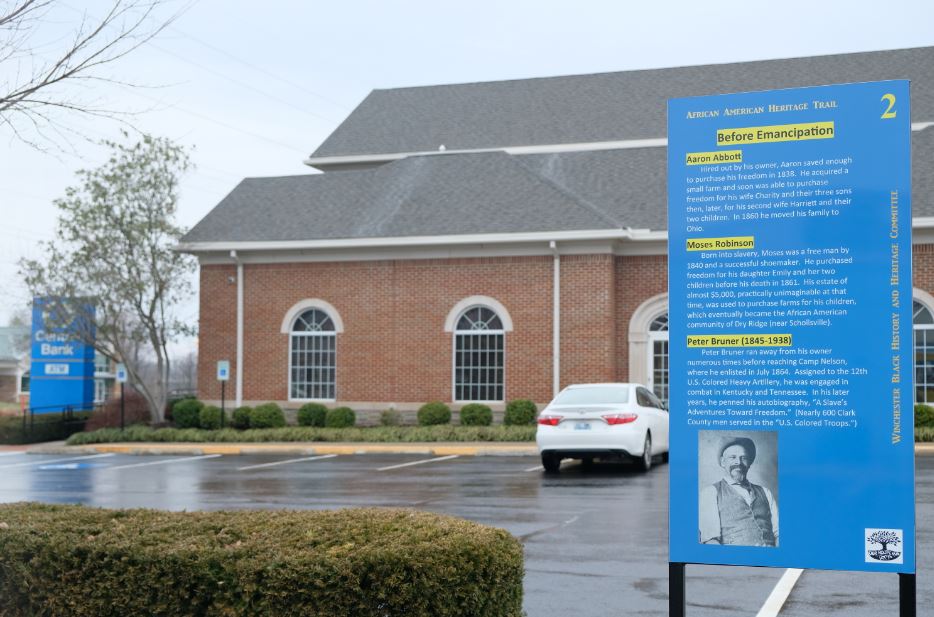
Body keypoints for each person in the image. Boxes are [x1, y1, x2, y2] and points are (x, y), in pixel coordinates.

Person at [698, 436, 778, 546]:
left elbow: (779, 534)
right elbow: (711, 541)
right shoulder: (710, 493)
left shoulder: (766, 492)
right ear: (722, 462)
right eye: (732, 457)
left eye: (743, 458)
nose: (738, 462)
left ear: (749, 463)